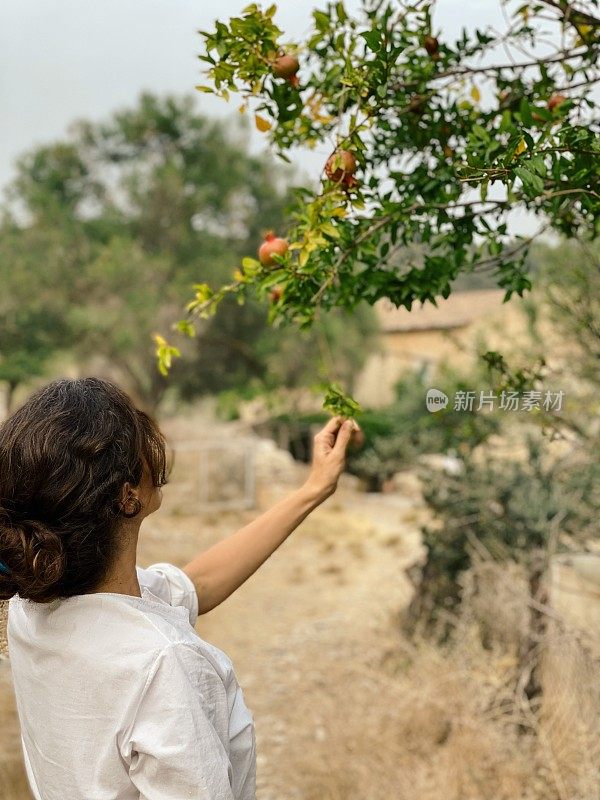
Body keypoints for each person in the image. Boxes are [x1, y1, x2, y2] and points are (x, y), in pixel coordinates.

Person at [0, 377, 360, 800]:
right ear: (127, 495)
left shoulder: (30, 610)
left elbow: (198, 584)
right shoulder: (160, 665)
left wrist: (314, 488)